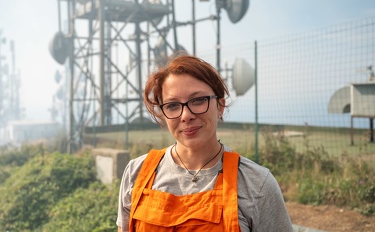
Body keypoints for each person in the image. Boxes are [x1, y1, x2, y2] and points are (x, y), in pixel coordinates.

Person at [117, 52, 293, 232]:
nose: (186, 116)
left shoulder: (256, 184)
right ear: (163, 114)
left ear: (220, 106)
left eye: (198, 100)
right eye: (172, 105)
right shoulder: (137, 173)